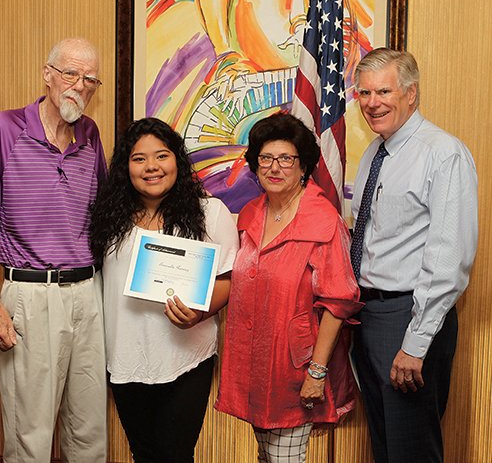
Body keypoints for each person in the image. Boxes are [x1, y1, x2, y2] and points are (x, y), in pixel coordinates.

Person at [0, 38, 107, 462]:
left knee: (89, 432)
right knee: (30, 434)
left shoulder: (91, 134)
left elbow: (107, 212)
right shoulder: (5, 127)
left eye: (90, 79)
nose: (80, 86)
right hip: (29, 294)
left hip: (87, 293)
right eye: (70, 74)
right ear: (47, 74)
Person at [350, 48, 478, 463]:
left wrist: (416, 342)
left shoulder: (443, 153)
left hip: (410, 318)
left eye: (384, 90)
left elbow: (448, 259)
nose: (372, 102)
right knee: (386, 448)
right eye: (364, 92)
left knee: (412, 451)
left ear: (411, 94)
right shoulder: (375, 152)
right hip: (369, 315)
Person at [89, 117, 239, 463]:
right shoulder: (109, 219)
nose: (151, 167)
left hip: (186, 359)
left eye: (162, 156)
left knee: (175, 455)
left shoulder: (209, 213)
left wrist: (200, 312)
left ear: (177, 161)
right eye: (139, 159)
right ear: (126, 167)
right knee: (142, 453)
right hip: (125, 359)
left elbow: (230, 279)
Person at [215, 112, 362, 463]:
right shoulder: (250, 214)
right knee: (267, 457)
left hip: (296, 371)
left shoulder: (323, 221)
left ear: (303, 167)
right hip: (253, 364)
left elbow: (339, 302)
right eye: (266, 158)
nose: (274, 167)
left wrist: (317, 372)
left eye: (286, 159)